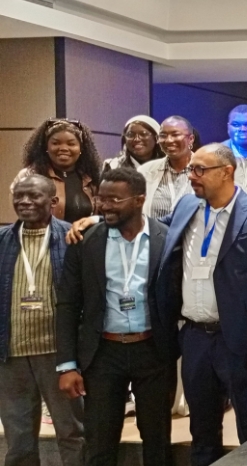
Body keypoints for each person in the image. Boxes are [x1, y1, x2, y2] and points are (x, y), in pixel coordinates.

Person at [157, 143, 247, 466]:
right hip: (194, 337)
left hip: (238, 339)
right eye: (191, 169)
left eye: (200, 170)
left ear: (227, 172)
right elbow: (154, 233)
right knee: (201, 428)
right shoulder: (186, 206)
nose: (192, 176)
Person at [55, 168, 177, 466]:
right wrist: (67, 364)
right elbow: (68, 304)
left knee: (157, 440)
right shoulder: (84, 240)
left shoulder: (166, 239)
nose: (104, 205)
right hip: (103, 353)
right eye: (101, 199)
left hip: (153, 350)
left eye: (114, 200)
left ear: (139, 200)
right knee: (100, 442)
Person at [0, 176, 83, 466]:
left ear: (53, 201)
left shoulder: (73, 237)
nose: (25, 202)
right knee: (18, 438)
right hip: (11, 355)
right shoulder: (2, 240)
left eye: (33, 196)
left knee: (72, 432)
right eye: (19, 196)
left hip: (58, 355)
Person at [12, 118, 100, 223]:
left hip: (85, 234)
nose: (63, 148)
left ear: (81, 149)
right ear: (46, 147)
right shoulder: (29, 176)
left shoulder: (92, 178)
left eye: (71, 144)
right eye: (56, 143)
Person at [139, 115, 196, 219]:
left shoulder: (207, 169)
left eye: (175, 135)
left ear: (191, 139)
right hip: (154, 229)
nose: (169, 140)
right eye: (163, 135)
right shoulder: (145, 171)